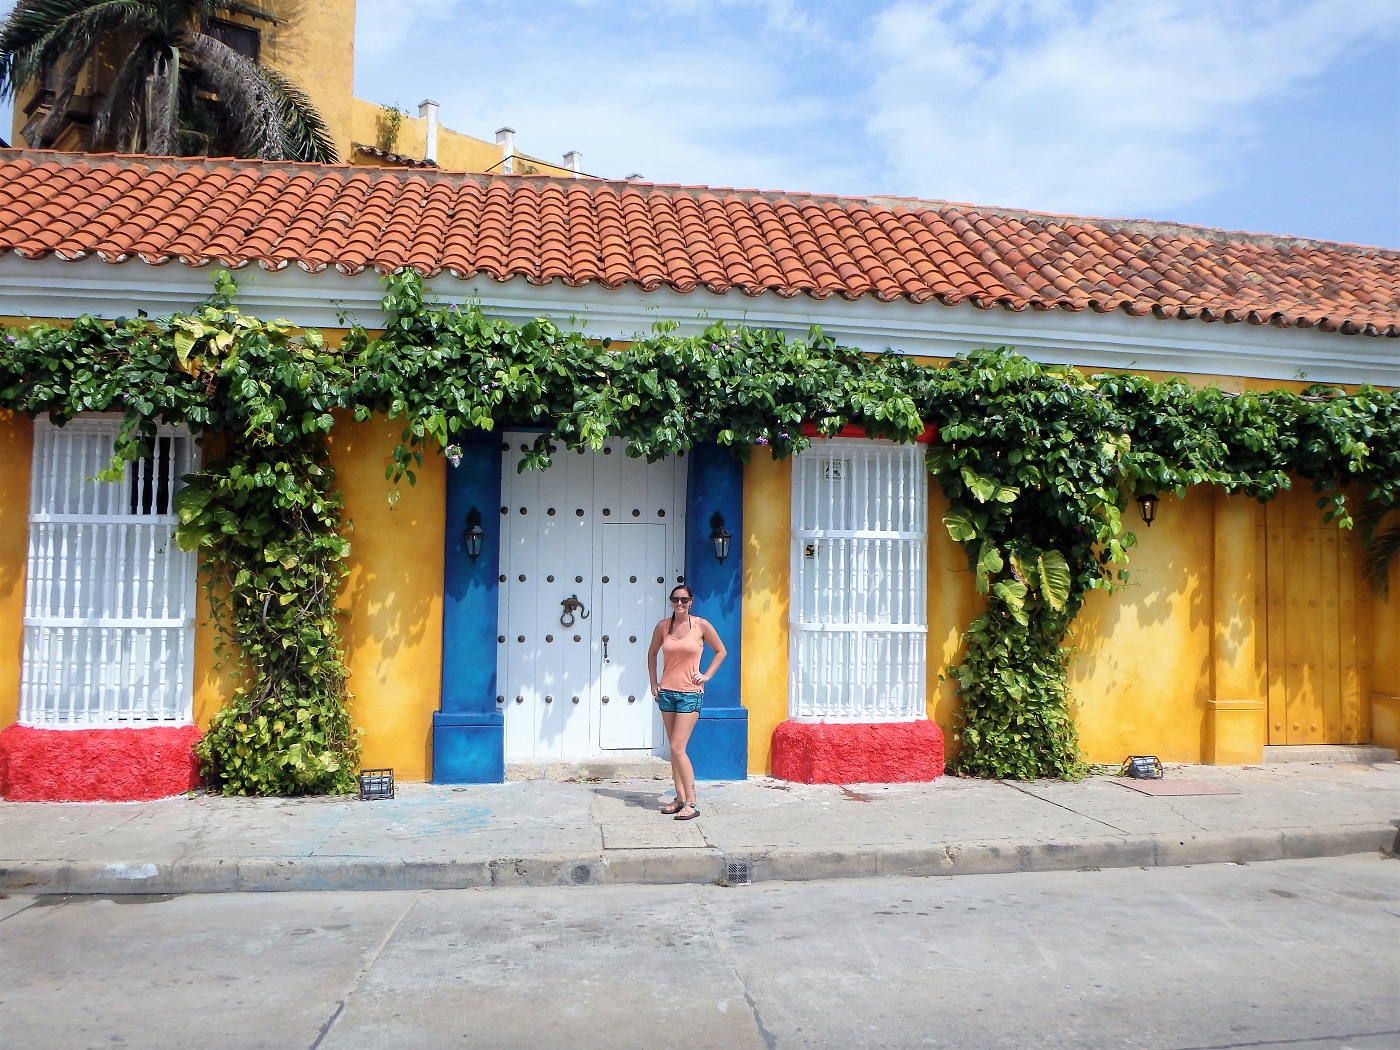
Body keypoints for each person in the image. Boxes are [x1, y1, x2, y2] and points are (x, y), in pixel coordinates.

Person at [648, 583, 726, 820]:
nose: (679, 603)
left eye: (684, 599)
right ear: (671, 601)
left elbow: (721, 651)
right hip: (668, 692)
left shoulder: (701, 625)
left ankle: (692, 802)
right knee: (674, 749)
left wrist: (706, 675)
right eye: (675, 599)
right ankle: (679, 798)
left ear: (691, 601)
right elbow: (652, 653)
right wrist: (654, 682)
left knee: (678, 747)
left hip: (690, 693)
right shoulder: (664, 626)